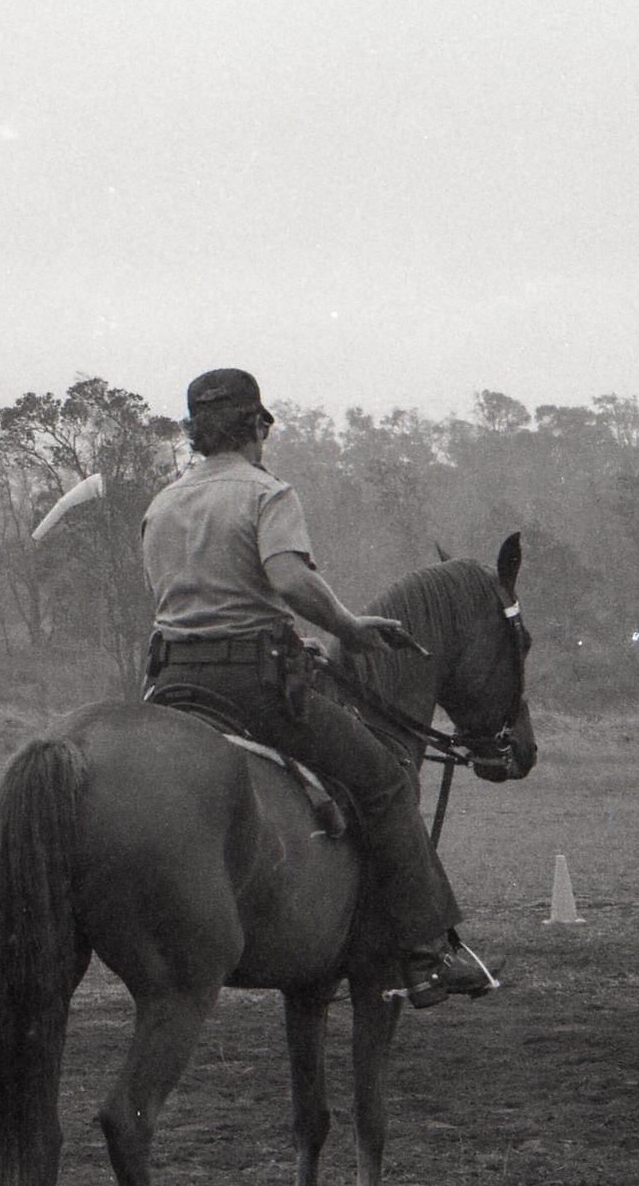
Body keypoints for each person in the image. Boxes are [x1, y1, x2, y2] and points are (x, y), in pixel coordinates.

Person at [139, 368, 497, 1008]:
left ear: (196, 434)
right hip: (254, 685)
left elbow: (182, 600)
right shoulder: (267, 494)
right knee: (386, 781)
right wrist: (349, 629)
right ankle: (425, 953)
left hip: (172, 684)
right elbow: (291, 580)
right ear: (257, 426)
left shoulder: (162, 505)